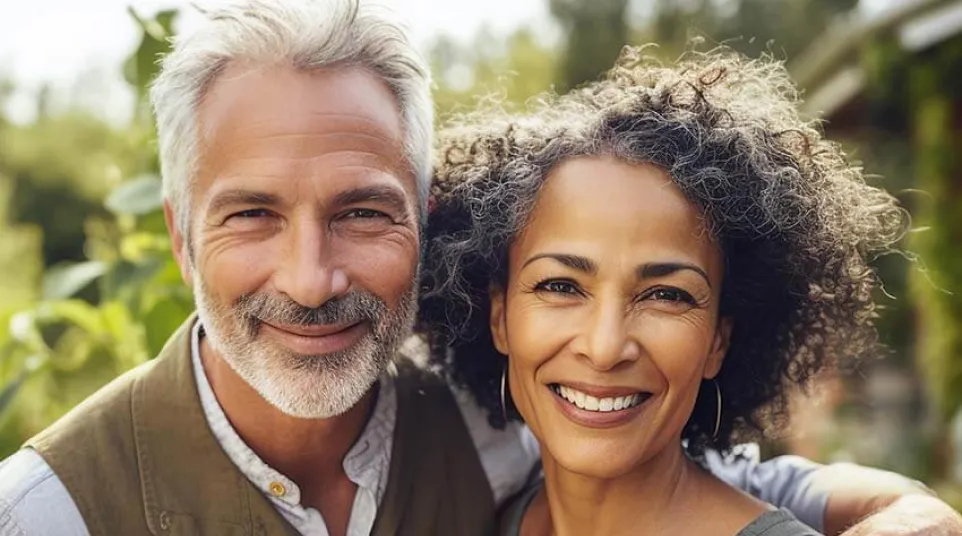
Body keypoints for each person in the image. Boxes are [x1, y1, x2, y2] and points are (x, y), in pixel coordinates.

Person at [0, 1, 959, 535]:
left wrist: (908, 514)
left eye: (361, 213)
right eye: (251, 214)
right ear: (178, 237)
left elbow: (712, 488)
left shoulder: (497, 412)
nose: (310, 275)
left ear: (422, 223)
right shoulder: (49, 516)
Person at [417, 47, 958, 536]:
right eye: (561, 285)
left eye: (666, 295)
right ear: (499, 316)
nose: (605, 347)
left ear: (719, 341)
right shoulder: (494, 510)